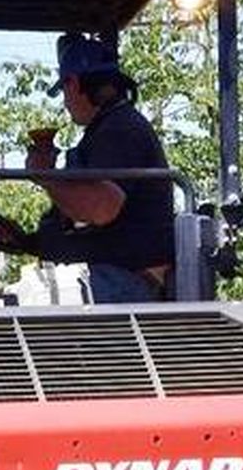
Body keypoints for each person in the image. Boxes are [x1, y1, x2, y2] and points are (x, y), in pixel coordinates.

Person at [20, 33, 176, 303]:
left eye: (65, 92)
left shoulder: (119, 130)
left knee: (30, 307)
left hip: (126, 284)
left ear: (74, 83)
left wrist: (46, 177)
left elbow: (101, 208)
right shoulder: (106, 131)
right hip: (111, 277)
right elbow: (76, 226)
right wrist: (19, 241)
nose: (66, 103)